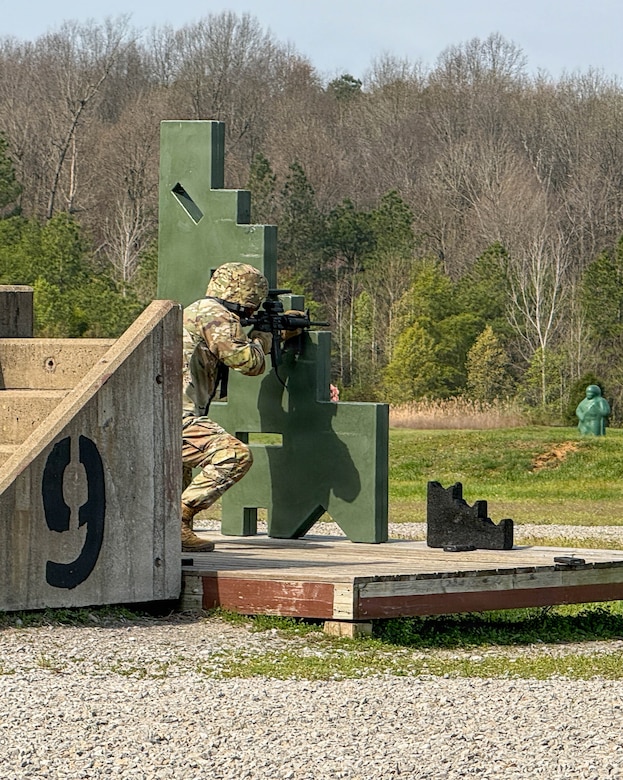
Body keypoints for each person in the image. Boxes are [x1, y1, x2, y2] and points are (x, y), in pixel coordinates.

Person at [180, 262, 272, 551]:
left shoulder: (198, 310)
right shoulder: (216, 317)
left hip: (161, 412)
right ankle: (178, 518)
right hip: (177, 416)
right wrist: (263, 340)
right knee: (235, 455)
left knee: (178, 470)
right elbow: (248, 362)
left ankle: (171, 533)